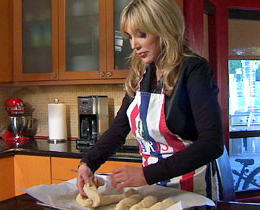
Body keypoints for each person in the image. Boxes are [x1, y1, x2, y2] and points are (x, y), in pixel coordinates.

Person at [77, 0, 224, 201]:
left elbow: (212, 143)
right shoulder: (141, 75)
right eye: (130, 37)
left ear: (164, 29)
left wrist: (145, 174)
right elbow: (118, 130)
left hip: (191, 189)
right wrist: (88, 163)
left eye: (142, 35)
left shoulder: (194, 70)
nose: (134, 45)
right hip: (154, 188)